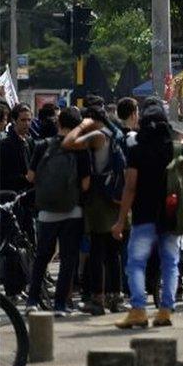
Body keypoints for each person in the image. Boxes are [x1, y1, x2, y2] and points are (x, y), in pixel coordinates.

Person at [110, 105, 180, 328]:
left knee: (136, 263)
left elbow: (130, 187)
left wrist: (121, 220)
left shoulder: (137, 150)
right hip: (170, 216)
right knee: (170, 263)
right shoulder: (175, 149)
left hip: (143, 216)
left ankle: (138, 309)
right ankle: (165, 310)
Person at [25, 107, 90, 316]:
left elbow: (30, 177)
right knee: (68, 259)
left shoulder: (42, 145)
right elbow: (86, 184)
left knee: (42, 257)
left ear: (58, 123)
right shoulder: (81, 149)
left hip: (46, 211)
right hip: (73, 210)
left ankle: (32, 300)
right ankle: (60, 305)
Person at [62, 100, 124, 316]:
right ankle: (115, 296)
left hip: (99, 200)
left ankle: (98, 298)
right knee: (113, 252)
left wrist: (80, 126)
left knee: (98, 250)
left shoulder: (97, 136)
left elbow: (68, 143)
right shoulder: (115, 134)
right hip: (115, 199)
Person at [0, 103, 34, 192]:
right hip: (12, 193)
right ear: (14, 121)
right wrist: (24, 178)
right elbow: (3, 176)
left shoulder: (29, 141)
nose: (27, 123)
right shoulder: (5, 143)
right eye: (23, 120)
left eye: (29, 120)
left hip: (28, 192)